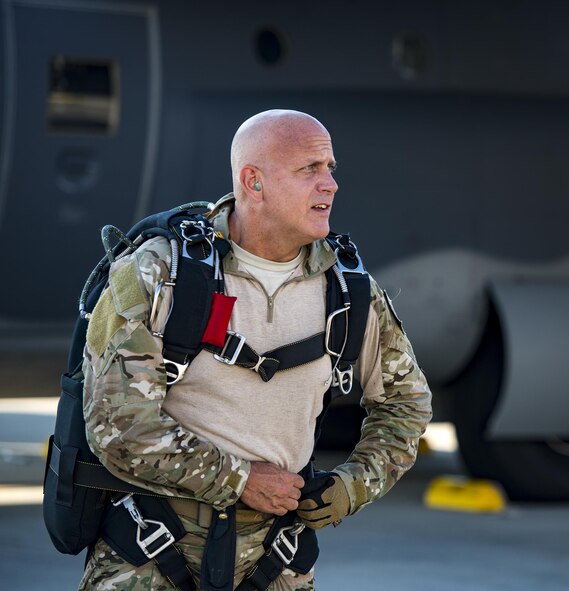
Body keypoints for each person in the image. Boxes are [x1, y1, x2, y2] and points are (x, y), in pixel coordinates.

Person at [78, 109, 433, 590]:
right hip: (149, 555)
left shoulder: (350, 292)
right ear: (254, 182)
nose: (329, 184)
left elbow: (406, 404)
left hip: (277, 562)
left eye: (330, 168)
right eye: (309, 169)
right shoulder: (160, 274)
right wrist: (241, 480)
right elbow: (117, 427)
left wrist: (354, 485)